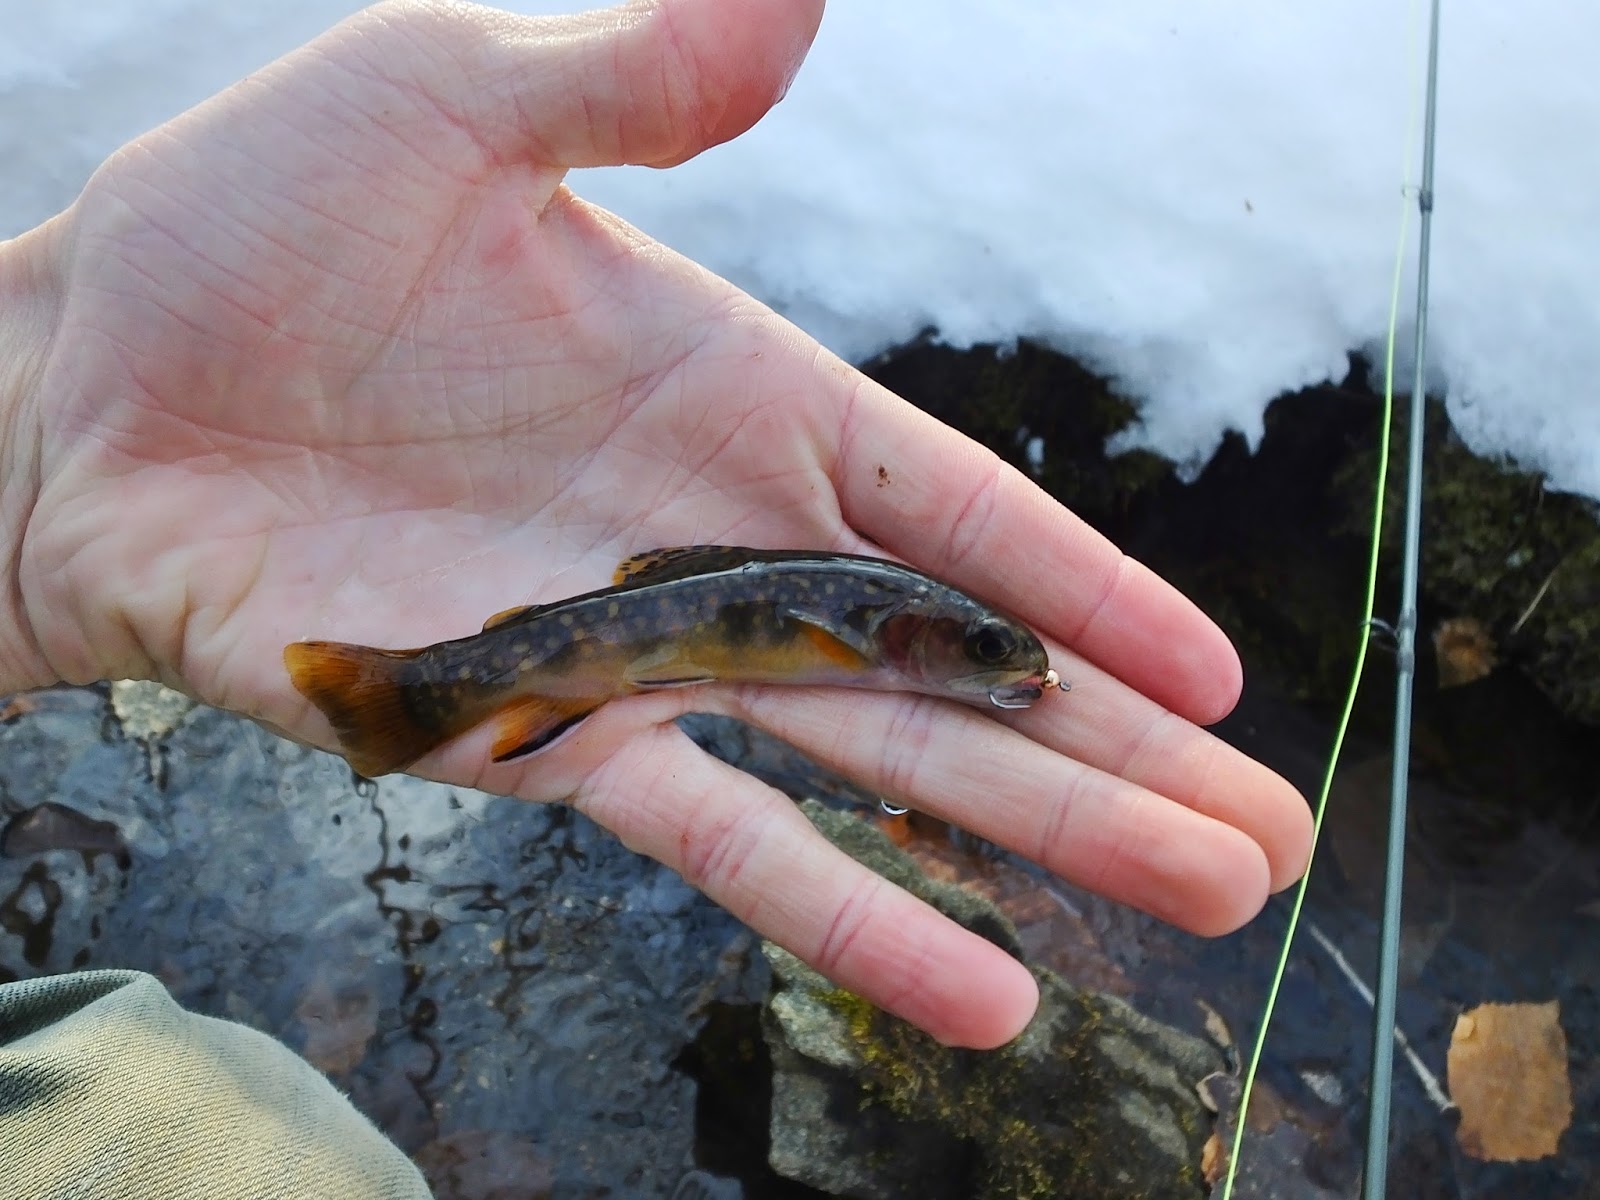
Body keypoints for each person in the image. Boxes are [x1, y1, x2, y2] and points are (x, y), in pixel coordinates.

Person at [0, 0, 1312, 1194]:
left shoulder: (873, 621)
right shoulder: (857, 621)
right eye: (975, 648)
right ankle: (408, 696)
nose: (987, 663)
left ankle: (417, 694)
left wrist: (40, 433)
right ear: (911, 639)